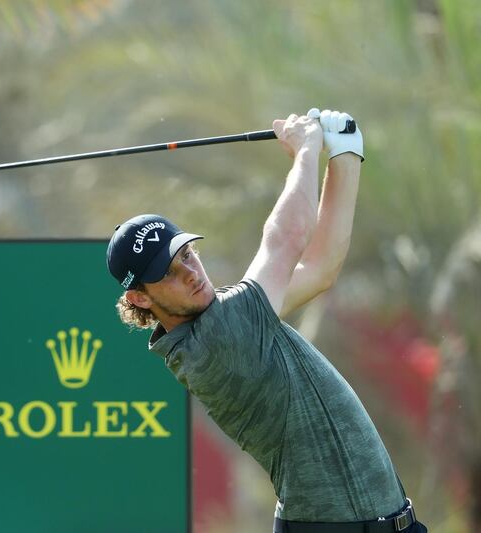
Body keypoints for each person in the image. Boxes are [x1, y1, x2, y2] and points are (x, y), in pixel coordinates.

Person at [106, 109, 428, 532]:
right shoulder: (217, 339)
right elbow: (287, 238)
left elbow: (319, 269)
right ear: (139, 298)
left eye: (187, 254)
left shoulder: (224, 318)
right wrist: (306, 147)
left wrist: (346, 152)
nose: (190, 271)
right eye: (168, 272)